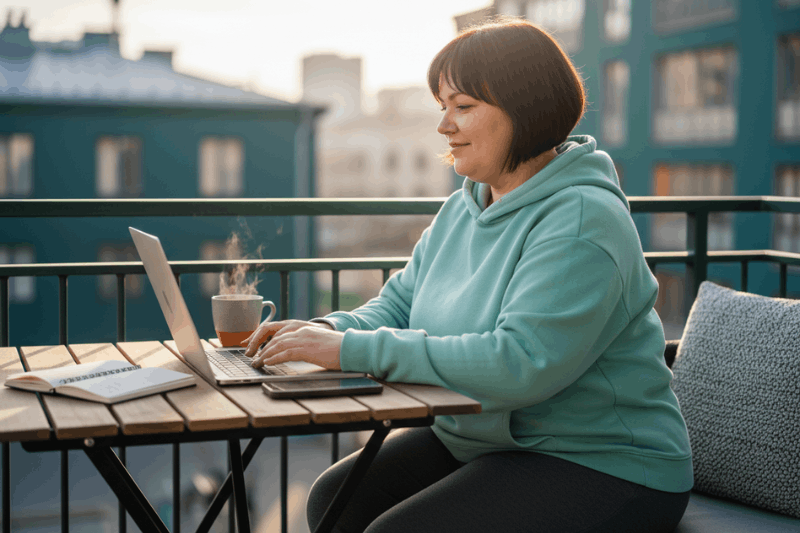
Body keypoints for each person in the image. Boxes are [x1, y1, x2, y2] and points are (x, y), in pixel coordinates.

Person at [243, 17, 693, 533]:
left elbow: (521, 363)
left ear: (524, 110)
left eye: (463, 107)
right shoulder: (466, 207)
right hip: (489, 438)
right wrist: (324, 331)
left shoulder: (582, 218)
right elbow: (397, 305)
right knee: (334, 497)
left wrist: (349, 352)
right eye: (443, 107)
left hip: (604, 462)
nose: (444, 126)